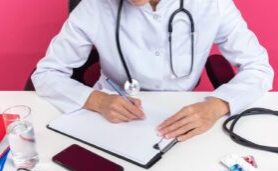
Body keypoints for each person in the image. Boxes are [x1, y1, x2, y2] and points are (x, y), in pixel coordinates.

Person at [32, 0, 274, 142]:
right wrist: (97, 101)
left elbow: (259, 68)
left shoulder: (213, 4)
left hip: (187, 111)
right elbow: (46, 74)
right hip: (111, 112)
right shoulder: (93, 6)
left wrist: (217, 105)